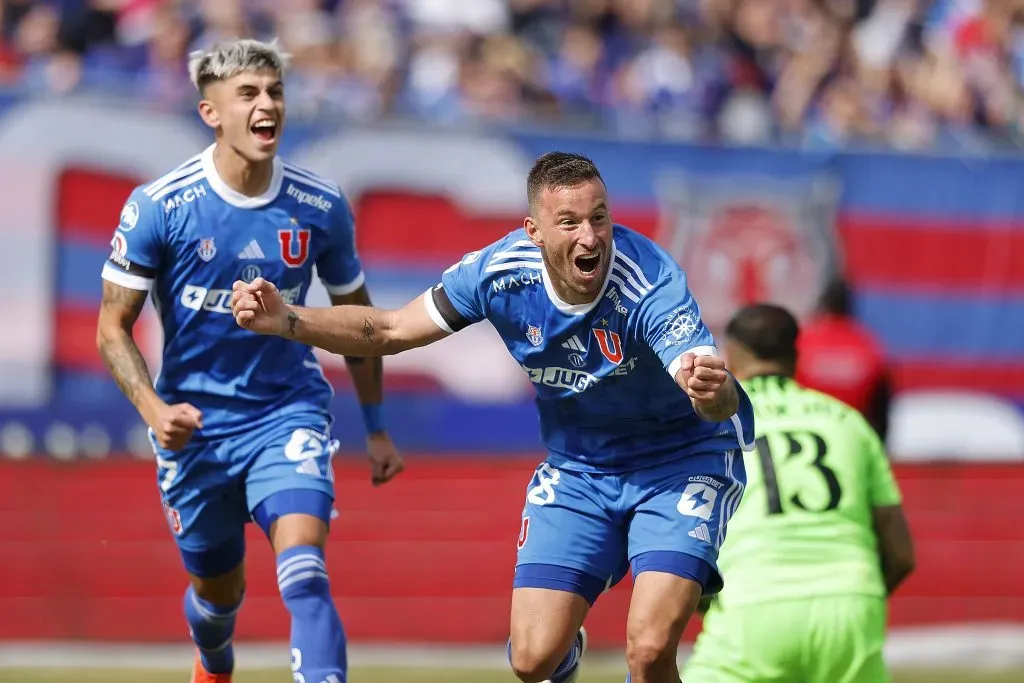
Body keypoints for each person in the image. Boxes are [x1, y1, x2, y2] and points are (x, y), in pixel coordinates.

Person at [231, 151, 755, 683]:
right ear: (534, 231)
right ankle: (565, 646)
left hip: (679, 463)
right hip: (580, 469)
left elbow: (716, 396)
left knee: (648, 648)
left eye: (599, 217)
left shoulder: (650, 280)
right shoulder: (497, 274)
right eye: (569, 222)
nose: (591, 237)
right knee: (532, 661)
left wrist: (707, 391)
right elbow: (390, 329)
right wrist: (289, 319)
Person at [95, 39, 403, 683]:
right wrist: (154, 411)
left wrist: (374, 425)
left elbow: (363, 322)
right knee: (218, 597)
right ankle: (212, 662)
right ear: (211, 112)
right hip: (194, 427)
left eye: (276, 92)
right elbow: (111, 328)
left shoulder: (319, 205)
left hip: (284, 413)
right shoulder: (159, 206)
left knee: (305, 574)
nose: (268, 106)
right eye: (249, 94)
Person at [682, 303, 916, 683]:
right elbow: (902, 555)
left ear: (731, 354)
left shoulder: (714, 427)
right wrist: (853, 598)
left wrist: (706, 603)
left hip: (754, 603)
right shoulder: (848, 422)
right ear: (795, 354)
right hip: (849, 606)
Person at [796, 278, 892, 442]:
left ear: (822, 306)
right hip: (852, 439)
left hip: (805, 437)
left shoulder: (803, 340)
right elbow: (881, 408)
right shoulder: (867, 344)